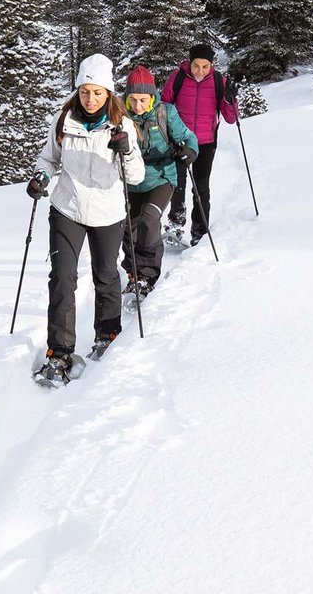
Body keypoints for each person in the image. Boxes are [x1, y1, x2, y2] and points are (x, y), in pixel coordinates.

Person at [28, 54, 144, 384]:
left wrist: (127, 150)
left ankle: (107, 335)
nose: (90, 99)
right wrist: (41, 177)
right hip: (68, 208)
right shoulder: (63, 120)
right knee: (62, 277)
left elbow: (135, 176)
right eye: (84, 92)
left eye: (97, 93)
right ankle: (59, 353)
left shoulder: (122, 125)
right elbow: (48, 158)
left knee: (105, 274)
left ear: (108, 93)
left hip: (108, 212)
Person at [117, 65, 200, 295]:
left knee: (149, 219)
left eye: (143, 100)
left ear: (152, 96)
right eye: (132, 100)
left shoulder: (165, 112)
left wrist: (189, 151)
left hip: (161, 178)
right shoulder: (119, 114)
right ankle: (133, 271)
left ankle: (147, 276)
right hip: (130, 180)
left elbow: (187, 137)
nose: (138, 106)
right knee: (130, 227)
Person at [163, 43, 238, 246]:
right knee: (177, 184)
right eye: (197, 65)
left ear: (211, 65)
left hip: (206, 142)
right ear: (190, 62)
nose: (200, 71)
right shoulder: (177, 77)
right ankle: (176, 223)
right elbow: (164, 105)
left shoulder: (218, 81)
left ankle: (199, 231)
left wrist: (231, 99)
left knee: (201, 186)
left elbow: (231, 118)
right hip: (180, 140)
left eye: (205, 66)